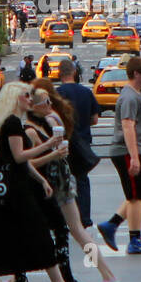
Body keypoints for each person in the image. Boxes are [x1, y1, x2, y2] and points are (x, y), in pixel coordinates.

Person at [0, 82, 87, 282]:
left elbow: (16, 160)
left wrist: (41, 180)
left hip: (7, 192)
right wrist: (49, 145)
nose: (30, 99)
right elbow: (20, 157)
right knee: (38, 234)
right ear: (15, 99)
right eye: (26, 96)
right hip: (14, 193)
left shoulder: (11, 123)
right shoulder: (12, 124)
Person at [0, 82, 107, 282]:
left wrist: (52, 151)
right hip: (57, 182)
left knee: (72, 231)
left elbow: (33, 159)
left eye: (49, 101)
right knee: (66, 231)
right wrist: (52, 151)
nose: (49, 105)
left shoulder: (46, 121)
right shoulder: (36, 124)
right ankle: (83, 278)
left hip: (58, 183)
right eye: (45, 102)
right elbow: (26, 160)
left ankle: (98, 275)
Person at [96, 56, 141, 255]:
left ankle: (111, 224)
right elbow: (128, 126)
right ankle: (134, 241)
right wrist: (134, 157)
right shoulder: (129, 97)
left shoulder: (137, 95)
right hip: (127, 151)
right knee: (136, 197)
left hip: (137, 150)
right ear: (135, 74)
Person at [56, 59, 99, 229]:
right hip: (83, 142)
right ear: (74, 72)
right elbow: (94, 119)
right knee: (82, 180)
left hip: (64, 143)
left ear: (60, 73)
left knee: (63, 180)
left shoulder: (57, 94)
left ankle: (67, 218)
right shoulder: (86, 92)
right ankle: (85, 218)